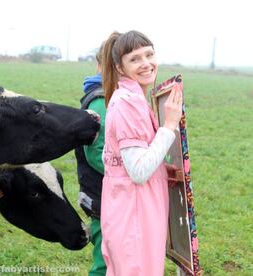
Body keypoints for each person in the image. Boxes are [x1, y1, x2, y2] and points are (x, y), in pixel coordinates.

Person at [100, 30, 183, 276]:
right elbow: (137, 171)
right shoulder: (128, 103)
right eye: (135, 59)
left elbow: (130, 163)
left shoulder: (131, 98)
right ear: (120, 68)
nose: (146, 63)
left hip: (131, 214)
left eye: (149, 54)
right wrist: (168, 126)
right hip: (134, 218)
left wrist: (162, 168)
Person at [76, 38, 114, 276]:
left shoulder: (108, 95)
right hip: (102, 196)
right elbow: (96, 154)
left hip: (106, 194)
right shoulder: (101, 100)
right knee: (104, 263)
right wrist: (133, 170)